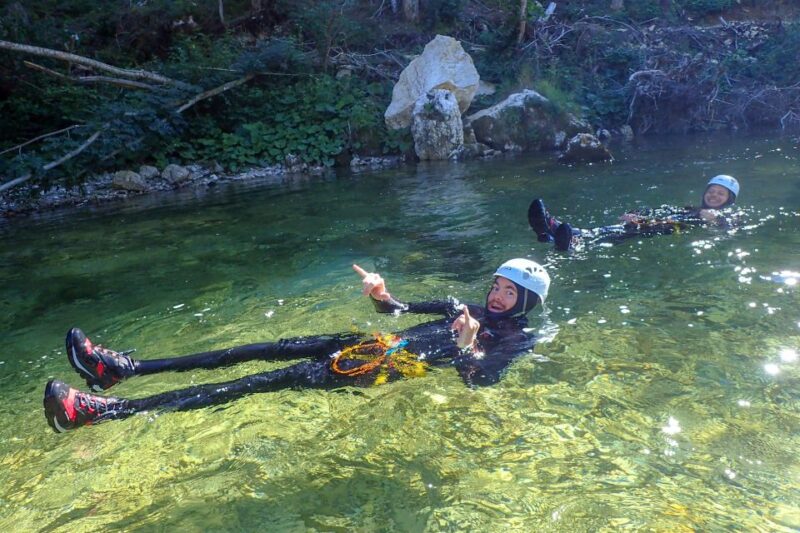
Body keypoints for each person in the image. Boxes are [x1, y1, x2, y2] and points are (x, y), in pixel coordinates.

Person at [43, 259, 551, 432]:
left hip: (375, 370)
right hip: (369, 342)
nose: (498, 296)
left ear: (527, 301)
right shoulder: (461, 304)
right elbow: (397, 311)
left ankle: (106, 411)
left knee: (249, 385)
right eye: (497, 286)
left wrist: (465, 349)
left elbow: (480, 382)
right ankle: (124, 368)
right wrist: (380, 294)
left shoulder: (517, 339)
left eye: (511, 292)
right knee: (246, 351)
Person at [529, 175, 741, 251]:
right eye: (712, 191)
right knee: (625, 227)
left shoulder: (727, 217)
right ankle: (555, 235)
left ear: (729, 200)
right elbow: (662, 210)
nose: (714, 196)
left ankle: (563, 234)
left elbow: (729, 233)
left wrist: (716, 222)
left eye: (721, 194)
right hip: (659, 225)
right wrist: (635, 213)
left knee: (626, 232)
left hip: (669, 232)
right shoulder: (690, 209)